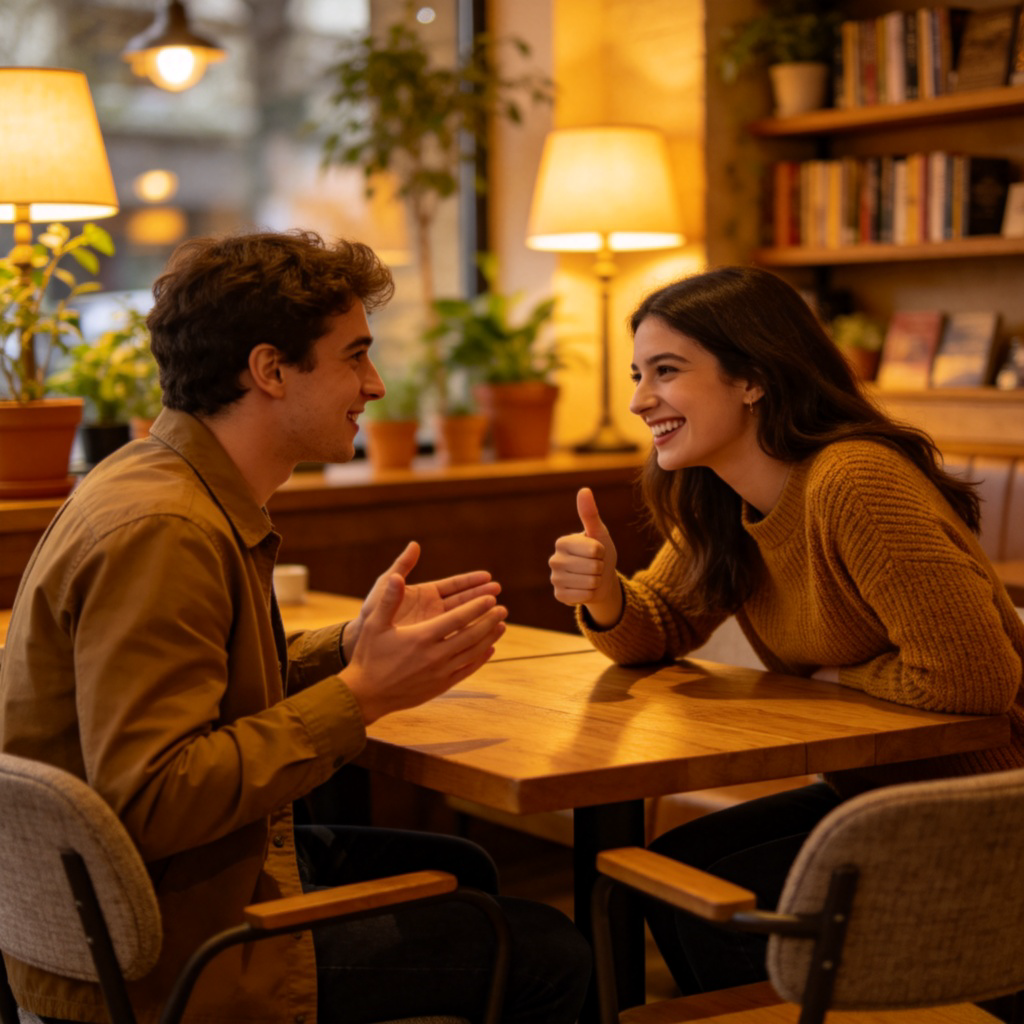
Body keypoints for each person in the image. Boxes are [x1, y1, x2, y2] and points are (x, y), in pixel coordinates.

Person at [0, 229, 590, 1024]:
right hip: (171, 954)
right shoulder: (165, 529)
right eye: (354, 356)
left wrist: (348, 649)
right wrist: (360, 695)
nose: (376, 386)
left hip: (152, 902)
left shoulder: (154, 480)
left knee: (462, 869)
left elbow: (201, 691)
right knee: (551, 954)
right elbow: (152, 796)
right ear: (271, 371)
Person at [549, 264, 1024, 998]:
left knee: (705, 901)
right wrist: (608, 596)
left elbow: (974, 680)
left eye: (666, 372)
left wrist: (825, 679)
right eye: (640, 374)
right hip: (879, 792)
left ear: (752, 378)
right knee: (673, 876)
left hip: (989, 805)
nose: (642, 400)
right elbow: (663, 626)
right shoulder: (722, 497)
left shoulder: (854, 481)